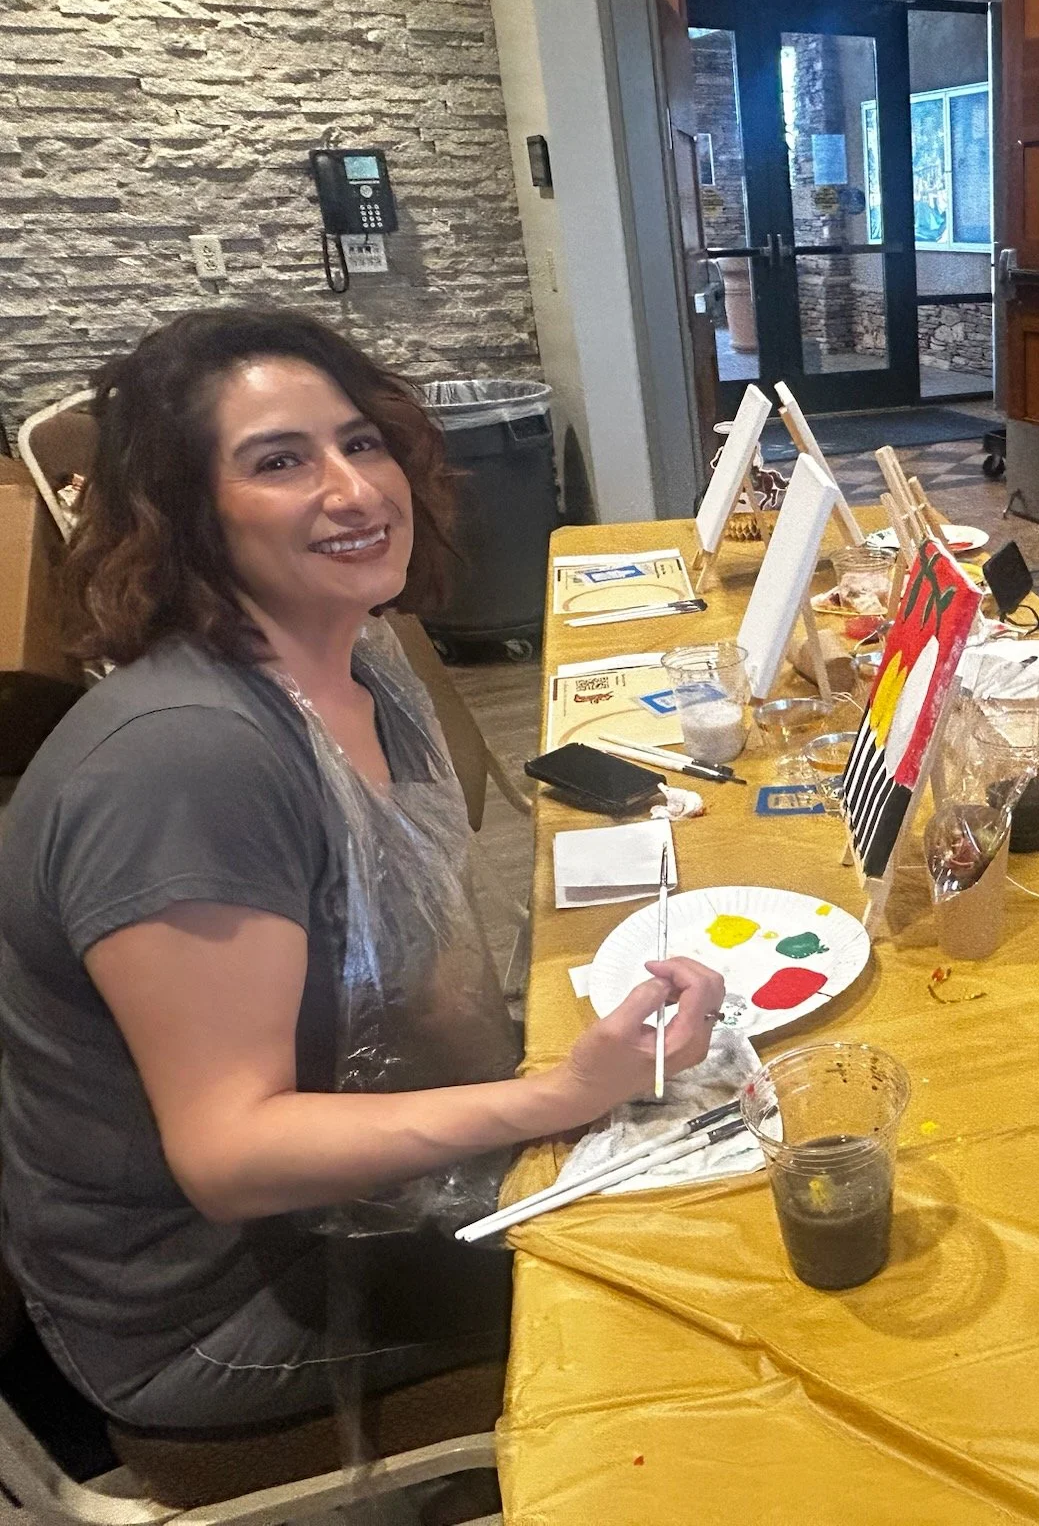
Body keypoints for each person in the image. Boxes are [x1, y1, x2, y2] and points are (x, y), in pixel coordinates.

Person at [0, 309, 724, 1433]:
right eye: (278, 462)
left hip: (350, 1198)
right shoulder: (184, 761)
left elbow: (408, 966)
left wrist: (576, 1080)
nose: (353, 491)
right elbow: (230, 1155)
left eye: (361, 443)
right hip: (221, 1302)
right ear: (184, 511)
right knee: (705, 1279)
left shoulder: (354, 660)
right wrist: (560, 1097)